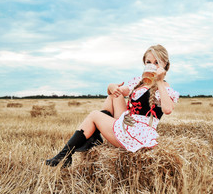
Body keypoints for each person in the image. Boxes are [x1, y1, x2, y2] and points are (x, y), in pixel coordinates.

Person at [45, 44, 179, 167]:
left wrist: (160, 81)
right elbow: (118, 92)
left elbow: (167, 109)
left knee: (94, 115)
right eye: (148, 62)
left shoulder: (165, 88)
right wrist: (111, 86)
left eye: (156, 62)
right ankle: (91, 137)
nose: (152, 65)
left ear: (165, 65)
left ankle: (64, 155)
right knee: (113, 94)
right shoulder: (139, 83)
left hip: (138, 132)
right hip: (128, 123)